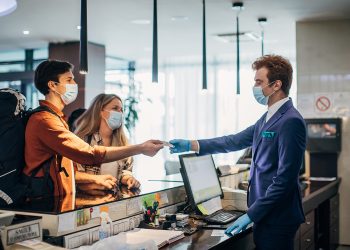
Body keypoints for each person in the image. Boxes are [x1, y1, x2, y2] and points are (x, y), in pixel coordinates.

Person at [170, 55, 306, 250]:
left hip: (277, 216)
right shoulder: (267, 117)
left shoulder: (290, 121)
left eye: (259, 82)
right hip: (264, 213)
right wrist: (192, 145)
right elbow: (233, 141)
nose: (255, 87)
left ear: (276, 85)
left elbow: (284, 180)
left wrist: (251, 214)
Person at [23, 59, 164, 198]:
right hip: (43, 199)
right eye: (69, 80)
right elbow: (89, 154)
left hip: (55, 197)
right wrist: (140, 148)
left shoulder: (56, 118)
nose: (75, 84)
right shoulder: (45, 121)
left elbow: (66, 169)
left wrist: (97, 179)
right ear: (53, 85)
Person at [74, 93, 140, 189]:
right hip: (89, 200)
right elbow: (73, 175)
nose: (120, 113)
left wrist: (128, 179)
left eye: (121, 110)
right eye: (115, 108)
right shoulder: (83, 141)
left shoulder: (123, 143)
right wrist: (96, 180)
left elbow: (124, 172)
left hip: (113, 200)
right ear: (100, 111)